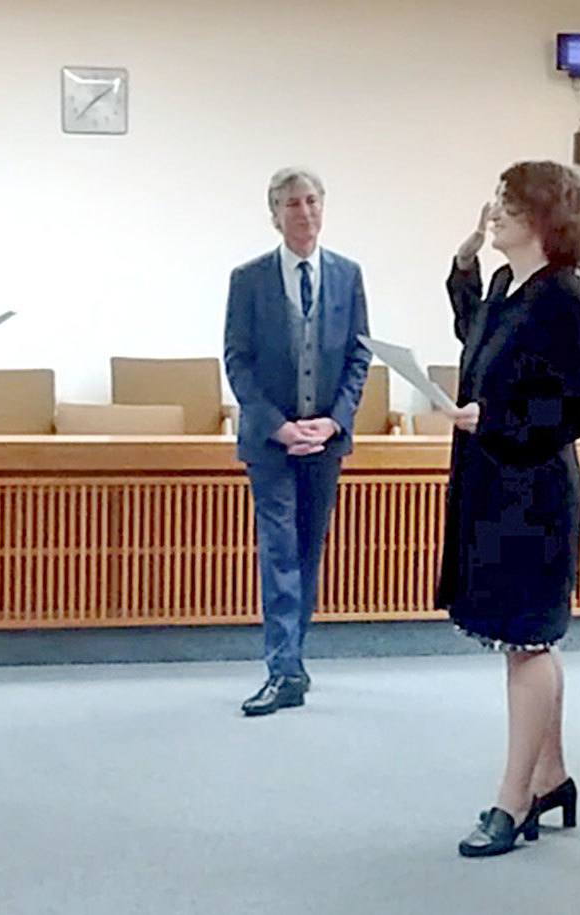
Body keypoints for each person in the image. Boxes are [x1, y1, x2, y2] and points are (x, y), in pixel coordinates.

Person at [438, 161, 580, 857]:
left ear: (544, 218)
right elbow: (477, 339)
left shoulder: (565, 299)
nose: (495, 211)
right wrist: (462, 268)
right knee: (529, 640)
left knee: (527, 640)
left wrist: (498, 420)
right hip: (495, 484)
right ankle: (551, 774)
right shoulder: (511, 287)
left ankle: (513, 800)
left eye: (509, 204)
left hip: (533, 491)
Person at [223, 167, 371, 717]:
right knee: (280, 549)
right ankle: (282, 669)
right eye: (291, 204)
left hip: (325, 439)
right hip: (272, 441)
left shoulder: (348, 275)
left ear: (323, 208)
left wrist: (335, 421)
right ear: (274, 214)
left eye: (311, 201)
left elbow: (359, 354)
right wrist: (276, 425)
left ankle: (294, 658)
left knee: (309, 550)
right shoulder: (249, 279)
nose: (303, 212)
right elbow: (236, 360)